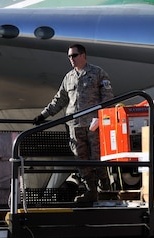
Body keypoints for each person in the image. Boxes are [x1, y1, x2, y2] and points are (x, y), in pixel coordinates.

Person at [33, 44, 114, 203]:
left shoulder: (97, 73)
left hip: (93, 124)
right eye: (69, 56)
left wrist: (101, 118)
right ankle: (91, 191)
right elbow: (60, 99)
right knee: (80, 159)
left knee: (97, 158)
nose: (72, 59)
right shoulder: (69, 77)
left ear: (83, 55)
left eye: (74, 55)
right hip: (74, 126)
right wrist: (43, 115)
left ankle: (104, 184)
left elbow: (108, 98)